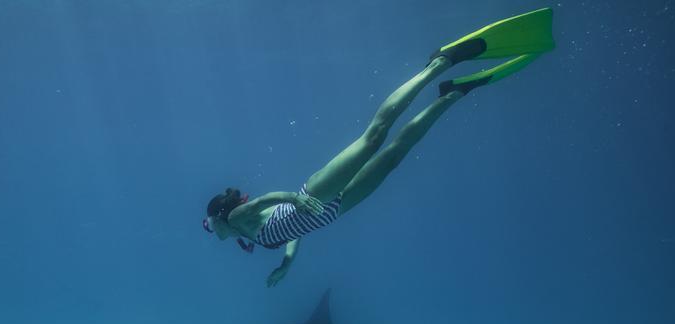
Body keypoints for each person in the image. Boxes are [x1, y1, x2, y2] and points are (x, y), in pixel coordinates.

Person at [202, 8, 555, 287]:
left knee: (374, 138)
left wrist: (295, 199)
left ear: (220, 215)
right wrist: (285, 266)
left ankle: (440, 62)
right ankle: (451, 96)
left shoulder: (235, 218)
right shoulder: (252, 238)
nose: (210, 232)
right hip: (329, 213)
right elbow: (294, 236)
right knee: (392, 159)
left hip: (314, 195)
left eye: (208, 224)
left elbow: (266, 200)